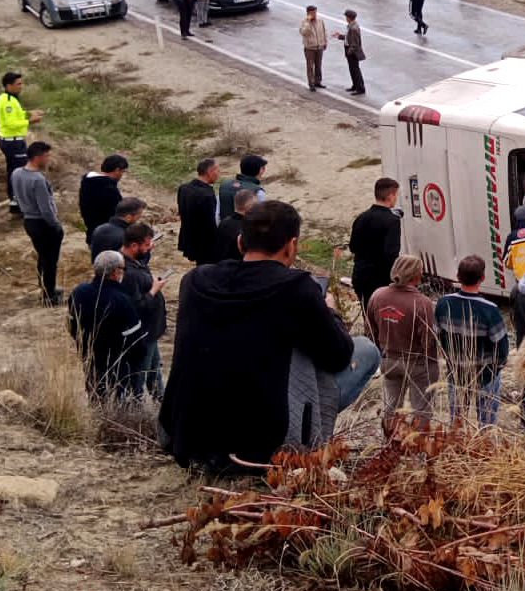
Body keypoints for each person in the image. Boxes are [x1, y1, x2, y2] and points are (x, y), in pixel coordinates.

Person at [157, 200, 381, 474]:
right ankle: (307, 447)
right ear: (291, 246)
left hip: (189, 437)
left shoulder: (194, 281)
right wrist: (330, 313)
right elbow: (338, 357)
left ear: (241, 243)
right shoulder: (297, 289)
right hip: (264, 448)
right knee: (366, 350)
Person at [434, 256, 511, 425]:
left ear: (458, 276)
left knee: (457, 422)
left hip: (456, 372)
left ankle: (459, 447)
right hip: (485, 374)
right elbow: (502, 348)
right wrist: (496, 367)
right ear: (482, 278)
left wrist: (450, 358)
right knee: (487, 422)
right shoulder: (490, 310)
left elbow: (437, 336)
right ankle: (483, 448)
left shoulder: (443, 304)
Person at [368, 255, 438, 432]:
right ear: (416, 276)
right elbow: (428, 340)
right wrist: (431, 364)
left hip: (388, 359)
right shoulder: (423, 303)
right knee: (421, 410)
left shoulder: (377, 295)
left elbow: (370, 329)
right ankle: (418, 445)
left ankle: (390, 445)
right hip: (416, 362)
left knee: (391, 405)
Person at [67, 250, 147, 401]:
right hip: (119, 367)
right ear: (116, 272)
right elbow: (136, 343)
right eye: (123, 269)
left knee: (96, 399)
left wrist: (84, 345)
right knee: (122, 405)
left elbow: (71, 325)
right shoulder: (121, 300)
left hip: (90, 360)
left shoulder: (78, 292)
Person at [119, 221, 167, 398]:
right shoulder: (127, 272)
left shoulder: (135, 260)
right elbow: (135, 306)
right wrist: (154, 290)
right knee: (139, 377)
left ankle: (162, 404)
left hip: (151, 331)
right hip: (142, 334)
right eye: (146, 245)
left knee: (154, 371)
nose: (150, 248)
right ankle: (136, 416)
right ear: (133, 245)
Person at [13, 141, 63, 305]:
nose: (48, 159)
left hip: (29, 221)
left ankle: (46, 288)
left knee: (43, 257)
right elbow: (45, 209)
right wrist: (55, 225)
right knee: (50, 261)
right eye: (46, 156)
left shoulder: (17, 173)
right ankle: (49, 296)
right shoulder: (38, 179)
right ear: (37, 157)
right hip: (43, 224)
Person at [346, 177, 402, 316]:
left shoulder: (361, 218)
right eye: (396, 195)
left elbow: (352, 247)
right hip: (380, 280)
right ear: (390, 196)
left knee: (368, 319)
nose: (396, 198)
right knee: (384, 322)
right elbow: (391, 255)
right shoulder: (392, 221)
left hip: (360, 277)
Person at [0, 71, 43, 214]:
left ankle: (15, 201)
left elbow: (17, 114)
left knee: (14, 171)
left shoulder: (9, 98)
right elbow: (11, 123)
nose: (21, 87)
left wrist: (29, 113)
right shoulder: (8, 102)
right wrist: (30, 121)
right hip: (12, 142)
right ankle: (19, 202)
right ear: (9, 86)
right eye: (18, 84)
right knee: (20, 172)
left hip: (14, 141)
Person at [177, 158, 221, 265]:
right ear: (210, 172)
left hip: (189, 237)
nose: (219, 175)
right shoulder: (207, 195)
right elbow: (210, 223)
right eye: (218, 171)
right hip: (204, 243)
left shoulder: (183, 188)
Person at [78, 153, 128, 243]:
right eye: (122, 171)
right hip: (109, 238)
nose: (122, 175)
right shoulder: (108, 189)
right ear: (117, 170)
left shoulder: (88, 182)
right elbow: (119, 215)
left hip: (93, 234)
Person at [215, 189, 254, 263]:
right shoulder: (246, 228)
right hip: (236, 268)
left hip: (221, 264)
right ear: (249, 206)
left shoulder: (224, 222)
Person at [337, 9, 367, 95]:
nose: (345, 18)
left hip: (352, 52)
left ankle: (360, 89)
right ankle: (355, 86)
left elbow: (355, 43)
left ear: (349, 18)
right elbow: (348, 37)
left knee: (355, 70)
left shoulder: (353, 28)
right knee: (352, 70)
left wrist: (349, 52)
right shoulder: (351, 26)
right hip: (350, 51)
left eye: (346, 17)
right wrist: (339, 36)